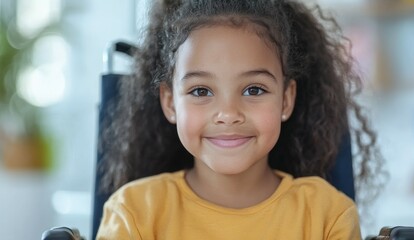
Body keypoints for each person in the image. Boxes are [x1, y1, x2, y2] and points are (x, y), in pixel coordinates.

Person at [96, 0, 384, 239]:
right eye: (201, 91)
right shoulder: (133, 213)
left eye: (254, 89)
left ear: (286, 99)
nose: (229, 114)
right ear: (170, 103)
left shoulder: (326, 215)